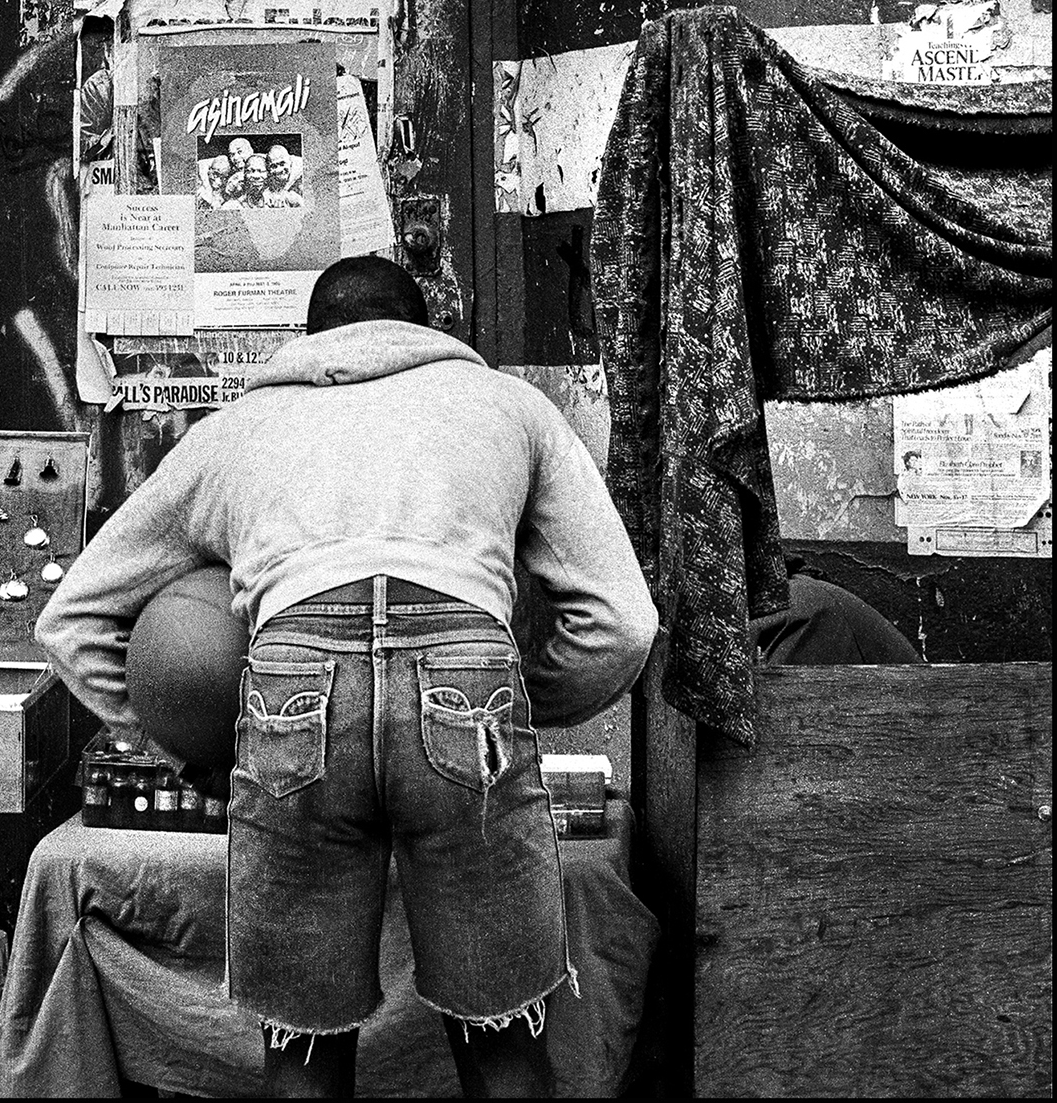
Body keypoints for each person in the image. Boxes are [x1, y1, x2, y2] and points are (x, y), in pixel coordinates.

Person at [37, 255, 657, 1099]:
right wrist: (510, 711)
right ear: (429, 330)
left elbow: (70, 622)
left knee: (304, 1056)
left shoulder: (234, 430)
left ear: (310, 341)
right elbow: (623, 623)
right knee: (505, 1047)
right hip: (467, 692)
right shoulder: (513, 408)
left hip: (290, 688)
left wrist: (194, 752)